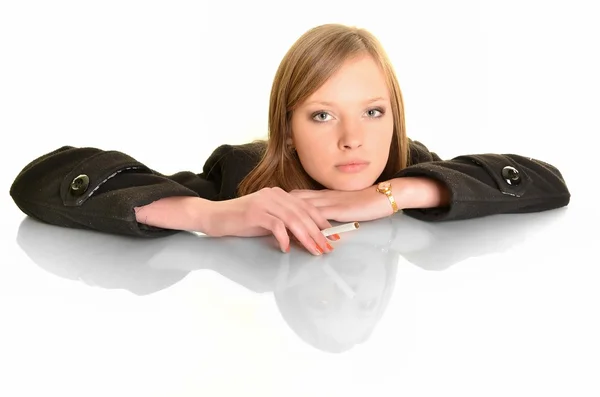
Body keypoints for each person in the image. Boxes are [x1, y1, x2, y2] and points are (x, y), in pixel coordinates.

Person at [9, 23, 571, 256]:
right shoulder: (240, 173)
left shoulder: (410, 165)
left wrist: (394, 195)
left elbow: (549, 183)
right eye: (323, 116)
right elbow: (38, 182)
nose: (355, 139)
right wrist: (209, 214)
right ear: (287, 127)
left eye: (373, 111)